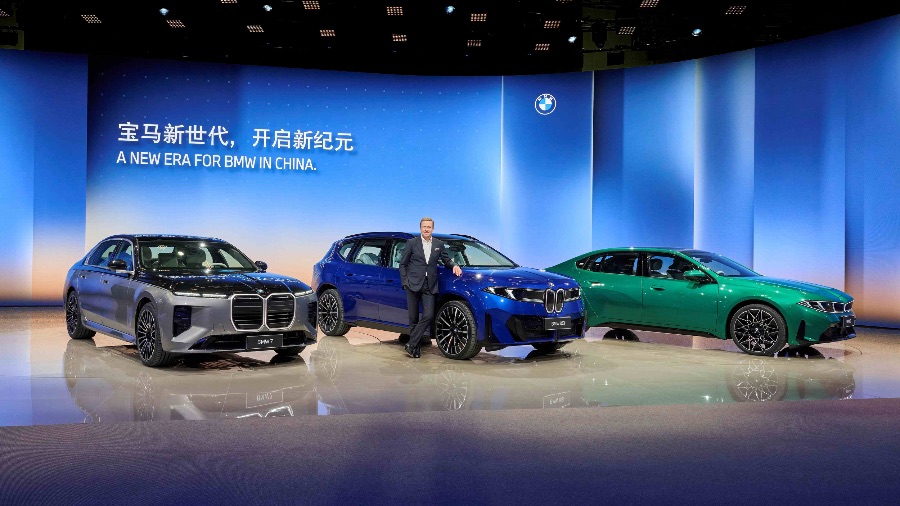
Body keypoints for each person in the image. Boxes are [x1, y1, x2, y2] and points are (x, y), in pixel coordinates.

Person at [399, 217, 462, 358]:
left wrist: (454, 265)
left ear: (432, 228)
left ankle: (411, 343)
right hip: (412, 284)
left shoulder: (439, 244)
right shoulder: (411, 243)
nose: (426, 229)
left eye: (429, 227)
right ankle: (414, 348)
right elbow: (403, 264)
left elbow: (446, 260)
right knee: (413, 318)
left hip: (430, 285)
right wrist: (405, 282)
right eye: (424, 226)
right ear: (420, 228)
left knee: (429, 315)